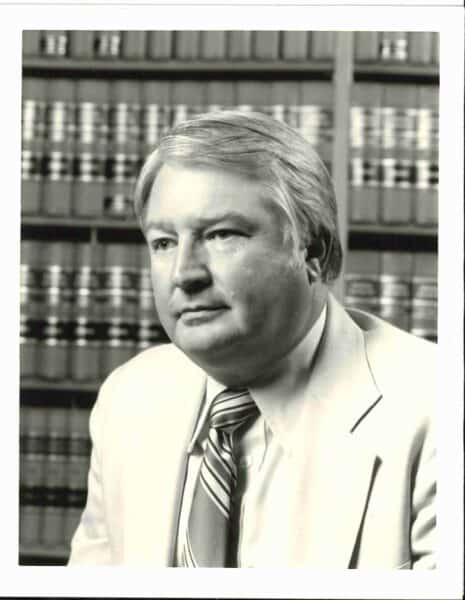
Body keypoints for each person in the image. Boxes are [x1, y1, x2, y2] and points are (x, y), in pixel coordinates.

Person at [68, 111, 436, 568]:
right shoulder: (128, 398)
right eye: (164, 242)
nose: (184, 274)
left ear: (314, 251)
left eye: (222, 235)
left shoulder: (438, 408)